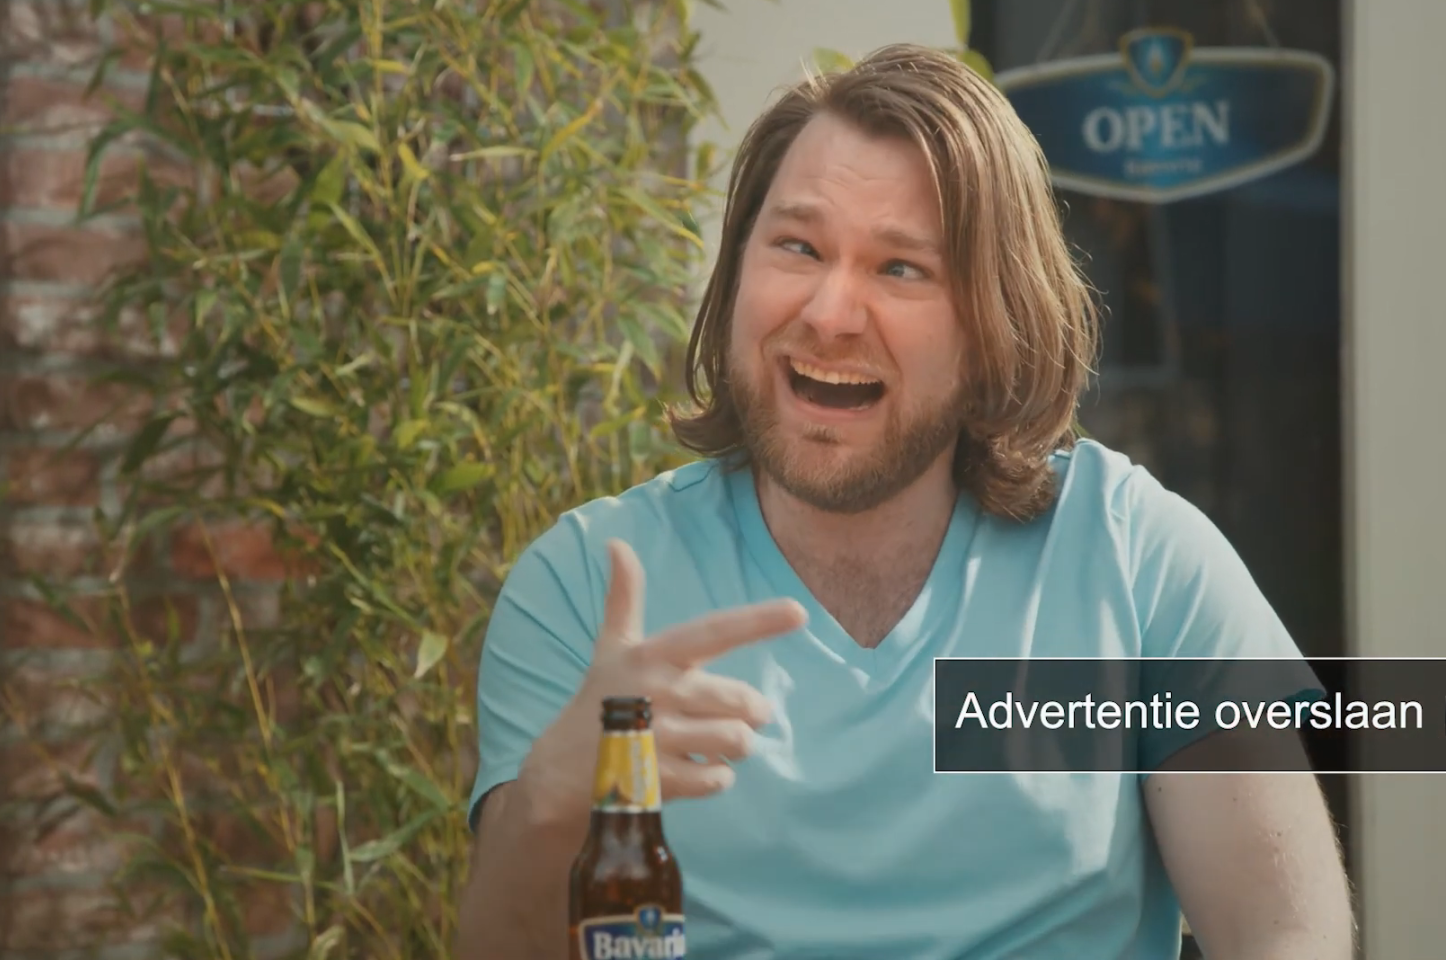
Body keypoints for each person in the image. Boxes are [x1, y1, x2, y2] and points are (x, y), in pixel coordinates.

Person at [455, 42, 1354, 960]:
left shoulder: (1136, 560)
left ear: (991, 325)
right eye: (798, 247)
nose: (831, 312)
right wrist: (548, 809)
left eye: (900, 269)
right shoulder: (585, 589)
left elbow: (1286, 931)